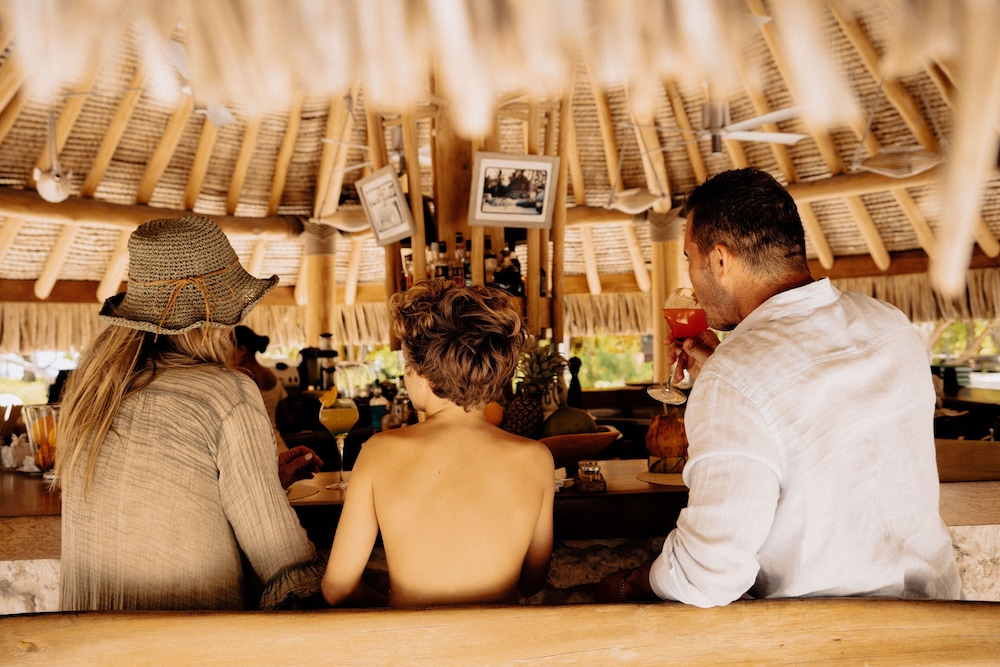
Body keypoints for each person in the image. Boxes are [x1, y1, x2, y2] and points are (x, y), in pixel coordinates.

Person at [600, 168, 962, 607]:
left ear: (720, 260)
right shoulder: (891, 326)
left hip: (834, 636)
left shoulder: (735, 377)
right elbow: (825, 421)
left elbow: (707, 575)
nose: (691, 277)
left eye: (690, 259)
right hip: (940, 616)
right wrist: (720, 369)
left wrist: (626, 584)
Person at [56, 215, 324, 611]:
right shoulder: (227, 392)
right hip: (186, 638)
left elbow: (164, 506)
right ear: (220, 316)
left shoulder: (94, 393)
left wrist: (264, 480)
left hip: (83, 638)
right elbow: (283, 560)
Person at [322, 279, 554, 607]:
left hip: (411, 641)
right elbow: (531, 583)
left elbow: (338, 589)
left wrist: (395, 612)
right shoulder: (537, 458)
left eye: (408, 366)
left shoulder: (378, 452)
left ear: (425, 377)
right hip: (502, 638)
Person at [234, 325, 291, 453]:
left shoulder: (241, 376)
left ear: (242, 350)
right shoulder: (271, 375)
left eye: (226, 349)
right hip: (278, 447)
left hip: (257, 450)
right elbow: (284, 419)